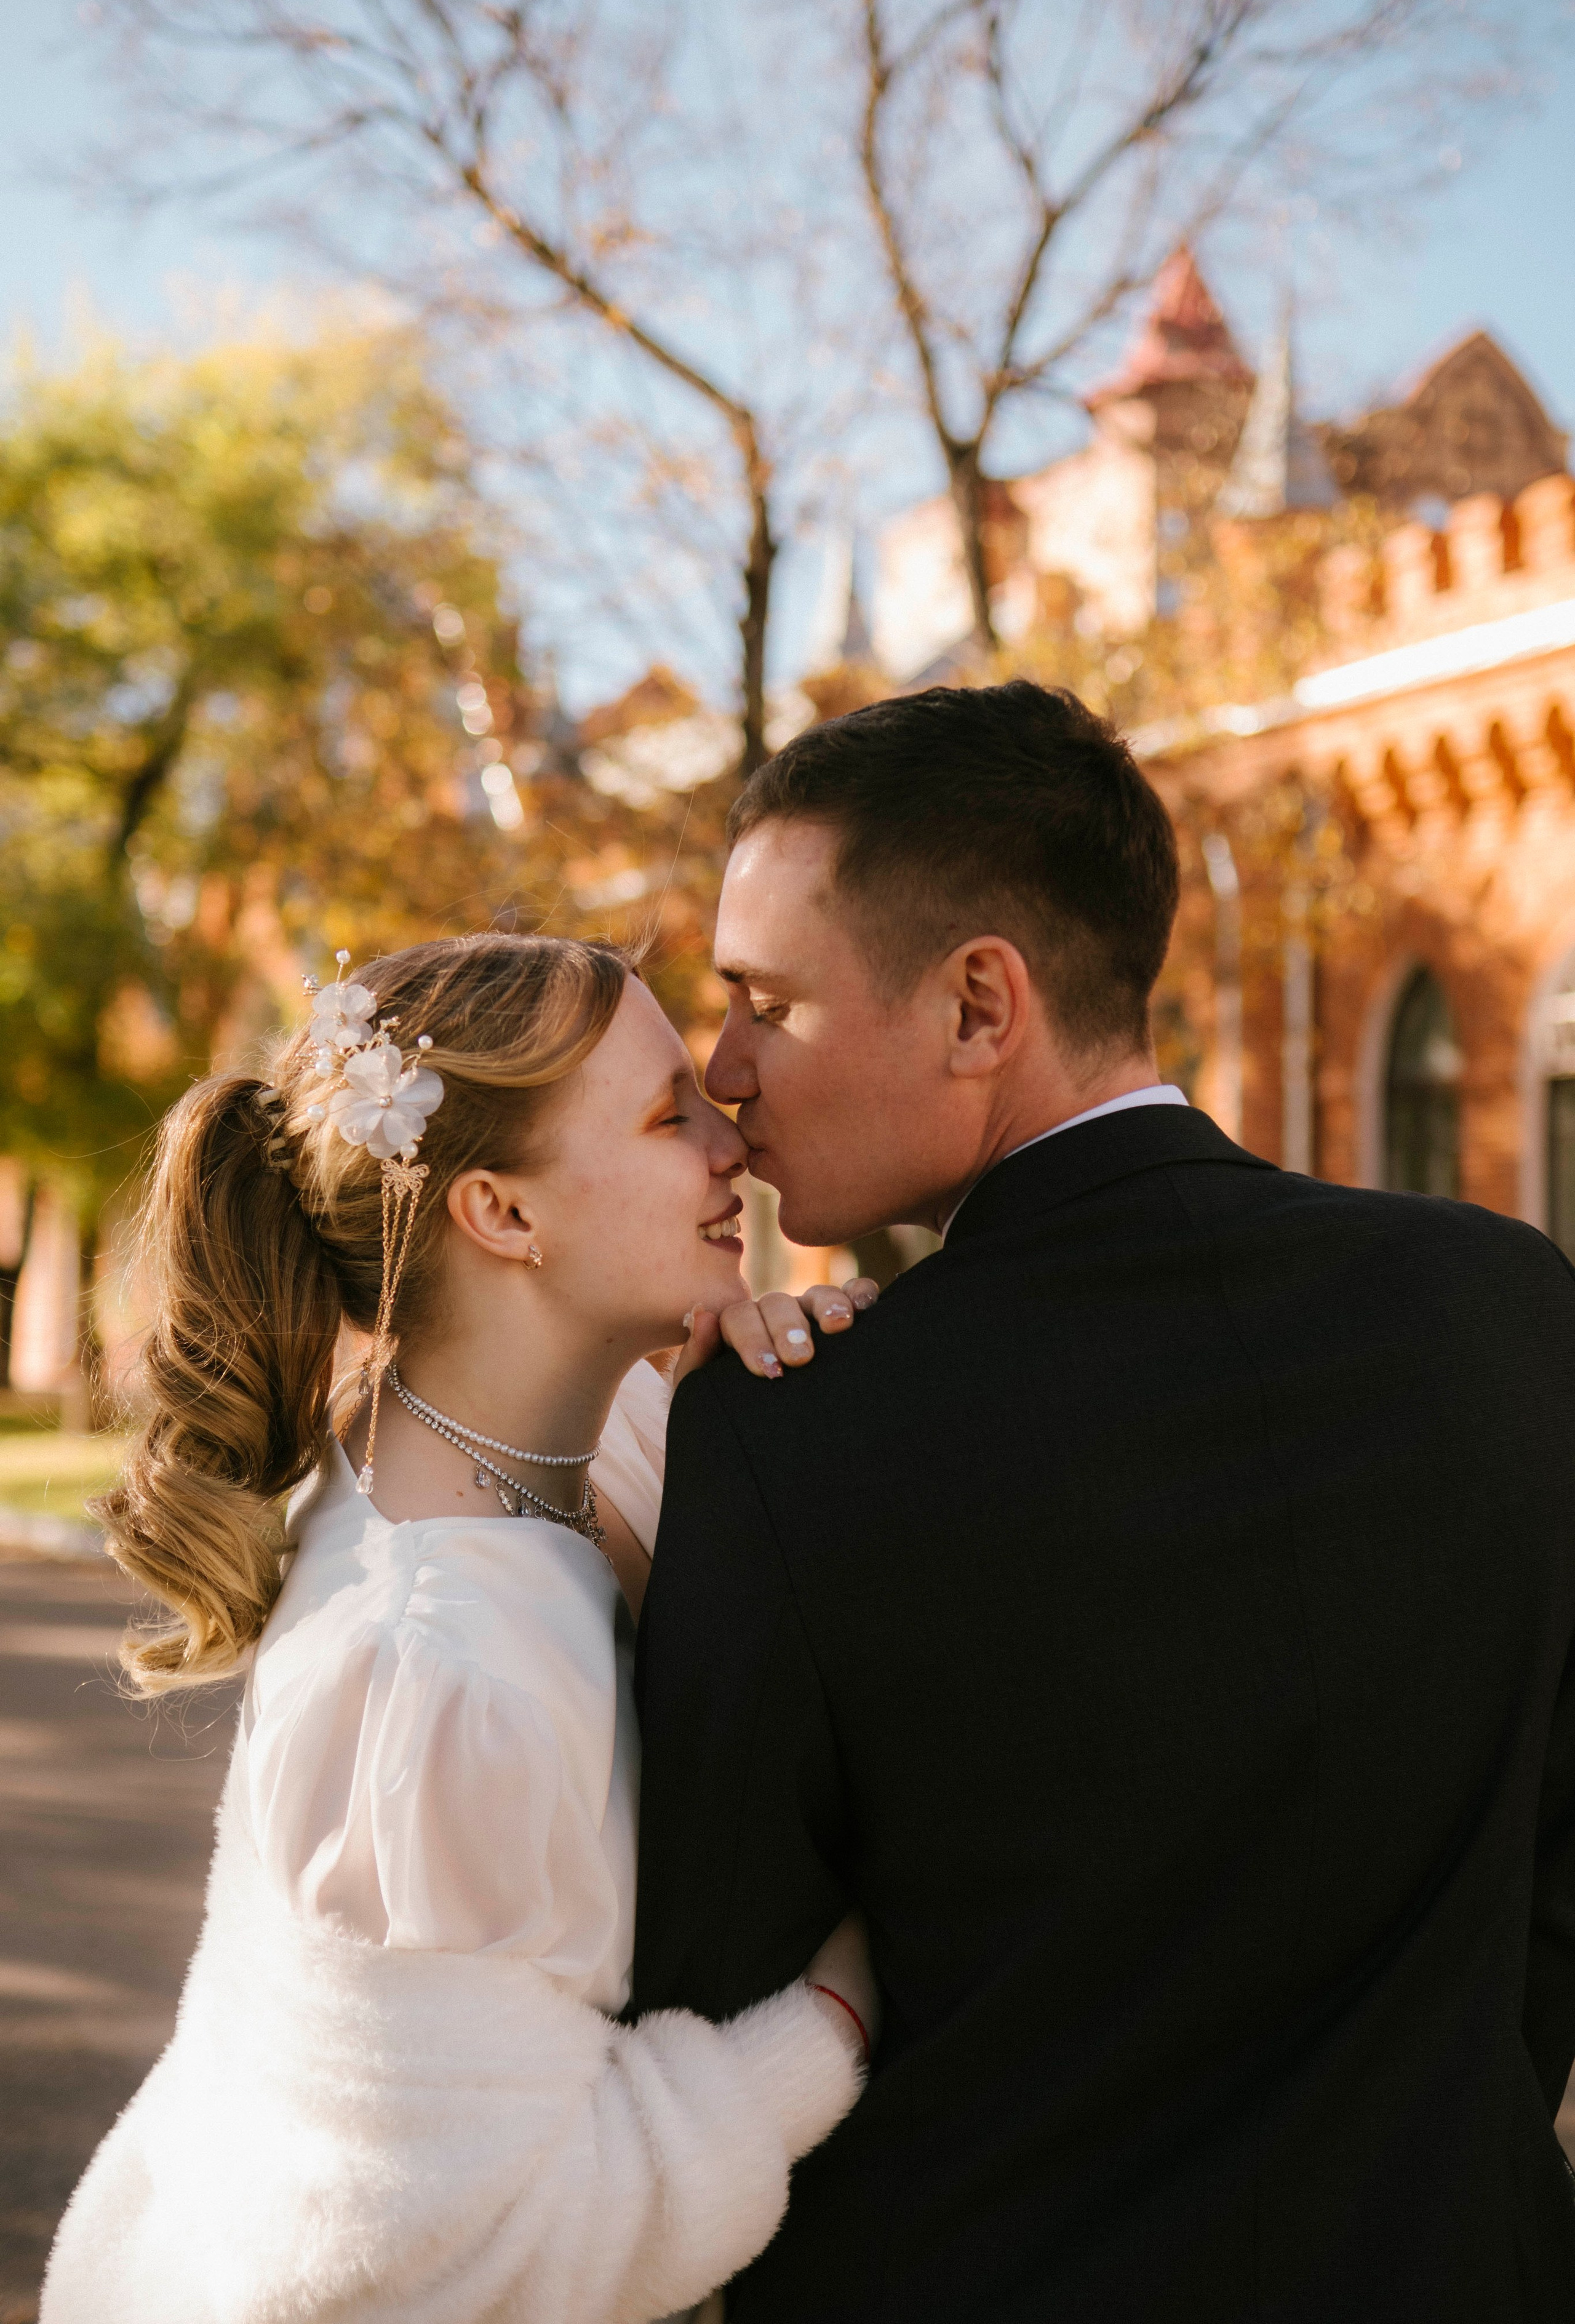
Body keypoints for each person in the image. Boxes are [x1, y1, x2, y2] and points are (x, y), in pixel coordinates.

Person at [632, 679, 1575, 2323]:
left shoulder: (789, 1435)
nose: (725, 1071)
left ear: (978, 1006)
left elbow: (708, 2015)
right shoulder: (1513, 1310)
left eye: (767, 1004)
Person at [42, 932, 880, 2324]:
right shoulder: (431, 1671)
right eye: (667, 1115)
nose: (730, 1141)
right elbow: (451, 2257)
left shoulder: (581, 1428)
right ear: (499, 1212)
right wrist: (828, 2028)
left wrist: (798, 1407)